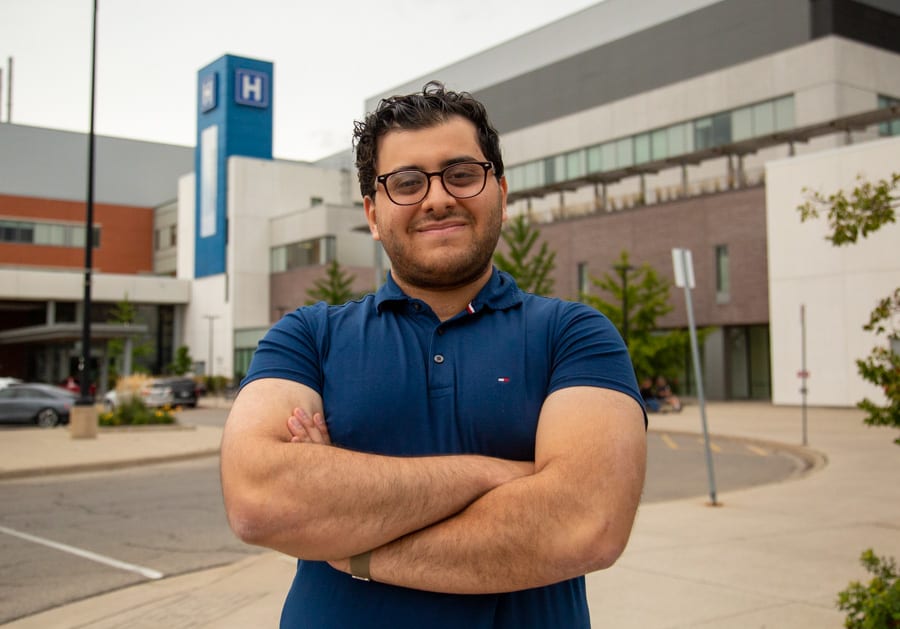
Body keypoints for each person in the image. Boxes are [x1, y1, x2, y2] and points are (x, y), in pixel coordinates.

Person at [220, 82, 648, 629]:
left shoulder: (575, 335)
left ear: (501, 193)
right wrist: (495, 475)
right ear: (374, 215)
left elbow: (584, 524)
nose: (438, 197)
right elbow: (260, 499)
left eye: (462, 174)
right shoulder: (308, 337)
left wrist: (356, 550)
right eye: (407, 183)